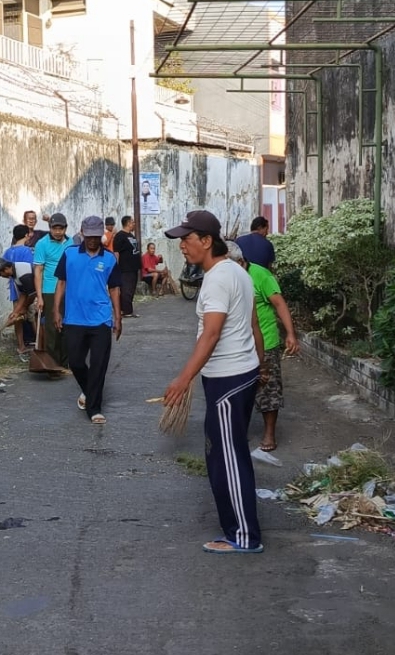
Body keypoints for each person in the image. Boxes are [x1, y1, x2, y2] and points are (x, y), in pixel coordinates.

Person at [163, 210, 266, 555]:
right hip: (240, 374)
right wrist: (259, 366)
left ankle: (244, 536)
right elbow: (252, 325)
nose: (183, 248)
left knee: (227, 458)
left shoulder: (219, 279)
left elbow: (211, 334)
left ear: (207, 241)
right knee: (228, 452)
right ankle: (240, 530)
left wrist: (182, 379)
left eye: (187, 241)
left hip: (228, 377)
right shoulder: (237, 272)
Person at [225, 240, 299, 452]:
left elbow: (279, 304)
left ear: (240, 262)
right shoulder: (227, 277)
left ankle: (269, 434)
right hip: (237, 343)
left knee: (268, 387)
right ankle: (238, 431)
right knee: (240, 388)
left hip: (265, 342)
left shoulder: (260, 275)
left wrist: (291, 335)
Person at [54, 216, 122, 424]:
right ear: (82, 233)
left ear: (101, 234)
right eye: (89, 236)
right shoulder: (70, 254)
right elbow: (62, 283)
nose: (92, 240)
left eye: (96, 236)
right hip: (74, 318)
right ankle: (88, 391)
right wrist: (56, 311)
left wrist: (117, 317)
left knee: (99, 364)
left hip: (101, 319)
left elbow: (114, 289)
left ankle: (94, 408)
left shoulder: (109, 258)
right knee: (75, 362)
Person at [34, 212, 72, 370]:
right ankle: (52, 363)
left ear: (65, 228)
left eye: (60, 228)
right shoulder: (42, 244)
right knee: (52, 328)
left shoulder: (71, 243)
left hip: (69, 290)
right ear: (49, 228)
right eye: (54, 228)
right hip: (49, 290)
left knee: (68, 326)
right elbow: (38, 270)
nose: (58, 232)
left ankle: (66, 362)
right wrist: (39, 296)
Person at [0, 258, 37, 361]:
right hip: (32, 293)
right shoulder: (14, 274)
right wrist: (15, 312)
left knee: (38, 319)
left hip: (43, 292)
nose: (0, 276)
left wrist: (24, 308)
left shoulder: (22, 273)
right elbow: (23, 294)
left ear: (6, 269)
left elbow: (31, 294)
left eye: (0, 273)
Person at [2, 224, 35, 351]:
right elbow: (30, 271)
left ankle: (21, 345)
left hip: (14, 289)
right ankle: (39, 345)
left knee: (17, 318)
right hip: (26, 288)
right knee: (32, 316)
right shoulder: (27, 251)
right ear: (26, 235)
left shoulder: (8, 251)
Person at [113, 215, 141, 317]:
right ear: (128, 223)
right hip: (125, 268)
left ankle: (125, 309)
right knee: (126, 290)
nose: (134, 224)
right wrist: (116, 267)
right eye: (132, 222)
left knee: (131, 289)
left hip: (133, 267)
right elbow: (116, 253)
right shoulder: (120, 236)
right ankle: (127, 311)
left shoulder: (131, 236)